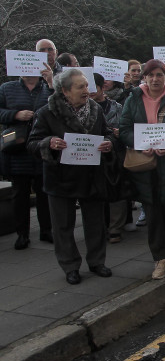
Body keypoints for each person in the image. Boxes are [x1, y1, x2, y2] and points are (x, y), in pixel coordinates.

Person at [27, 68, 115, 284]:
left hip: (91, 175)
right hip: (61, 177)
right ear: (65, 91)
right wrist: (49, 143)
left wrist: (108, 142)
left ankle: (97, 262)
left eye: (87, 85)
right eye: (81, 87)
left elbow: (108, 132)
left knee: (95, 222)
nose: (87, 90)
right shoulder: (47, 112)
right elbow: (32, 143)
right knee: (63, 225)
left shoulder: (95, 109)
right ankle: (70, 266)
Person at [119, 59, 165, 280]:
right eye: (150, 75)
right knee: (152, 213)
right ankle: (160, 258)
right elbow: (124, 129)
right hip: (145, 164)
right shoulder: (133, 99)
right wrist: (142, 144)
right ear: (144, 78)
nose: (155, 79)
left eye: (159, 75)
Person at [0, 62, 55, 249]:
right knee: (20, 194)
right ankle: (22, 234)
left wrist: (51, 83)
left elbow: (62, 107)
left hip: (41, 147)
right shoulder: (7, 88)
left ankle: (46, 230)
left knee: (44, 192)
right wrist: (16, 115)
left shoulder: (48, 87)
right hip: (17, 149)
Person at [91, 73, 128, 244]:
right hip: (91, 156)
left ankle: (115, 228)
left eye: (93, 88)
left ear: (102, 87)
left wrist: (117, 134)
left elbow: (125, 128)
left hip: (112, 155)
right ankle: (99, 227)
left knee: (115, 192)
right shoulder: (81, 108)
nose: (89, 92)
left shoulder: (116, 107)